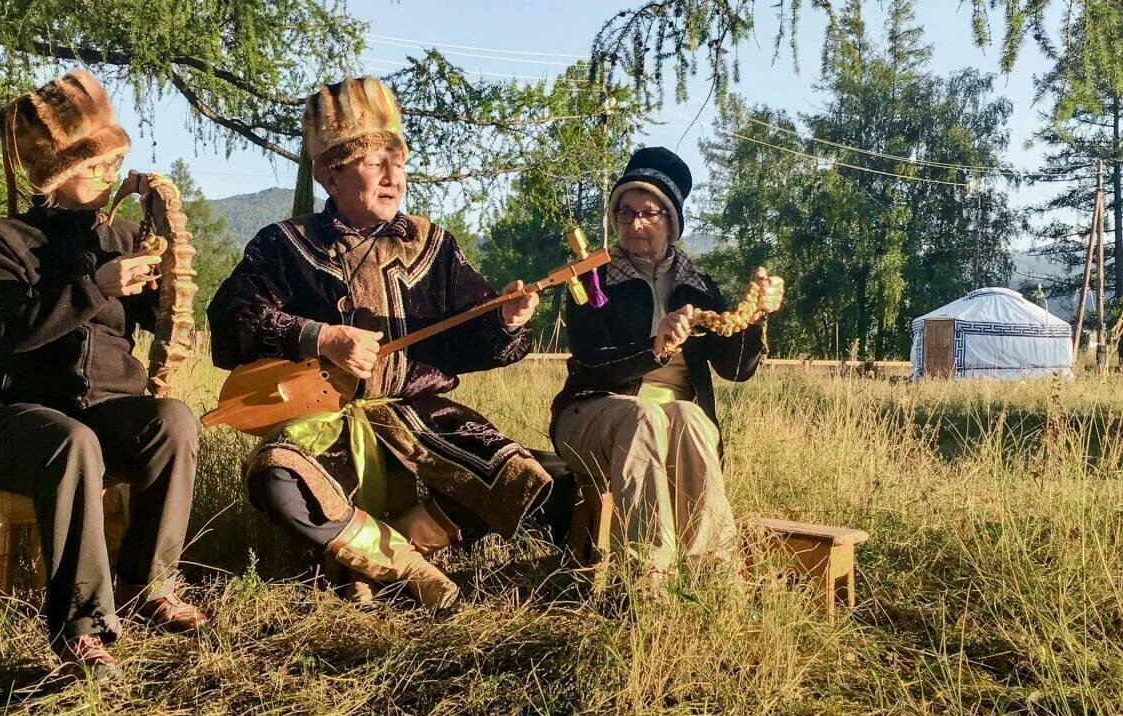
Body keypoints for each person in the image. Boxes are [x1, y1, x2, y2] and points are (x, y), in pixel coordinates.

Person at [208, 76, 567, 610]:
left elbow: (477, 342)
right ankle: (405, 566)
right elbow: (230, 322)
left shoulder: (433, 244)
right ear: (332, 172)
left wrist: (509, 322)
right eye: (375, 163)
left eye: (398, 162)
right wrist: (320, 337)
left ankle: (373, 555)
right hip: (326, 418)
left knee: (531, 483)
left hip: (421, 418)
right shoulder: (285, 246)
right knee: (278, 481)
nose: (393, 176)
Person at [0, 70, 206, 680]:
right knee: (74, 444)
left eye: (112, 161)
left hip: (106, 413)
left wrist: (167, 250)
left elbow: (166, 315)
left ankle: (146, 583)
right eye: (94, 162)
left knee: (172, 422)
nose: (107, 173)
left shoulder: (124, 237)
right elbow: (15, 332)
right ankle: (81, 626)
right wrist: (95, 287)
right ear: (53, 172)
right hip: (13, 420)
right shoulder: (2, 241)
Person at [550, 147, 784, 578]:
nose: (635, 223)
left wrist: (756, 317)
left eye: (649, 213)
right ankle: (646, 579)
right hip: (593, 412)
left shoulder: (697, 288)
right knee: (644, 417)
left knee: (692, 418)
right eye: (625, 213)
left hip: (672, 421)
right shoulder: (592, 280)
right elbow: (591, 361)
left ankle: (710, 574)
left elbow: (736, 370)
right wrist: (654, 349)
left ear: (672, 222)